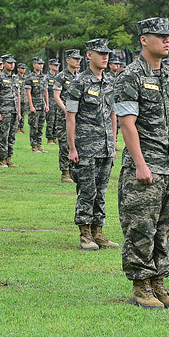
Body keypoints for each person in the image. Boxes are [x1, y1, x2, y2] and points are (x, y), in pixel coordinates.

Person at [114, 17, 169, 309]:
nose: (167, 40)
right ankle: (140, 286)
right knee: (140, 227)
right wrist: (140, 164)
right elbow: (127, 124)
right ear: (144, 39)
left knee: (163, 228)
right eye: (160, 35)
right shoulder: (130, 76)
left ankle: (158, 282)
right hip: (146, 168)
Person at [66, 38, 119, 251]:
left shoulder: (109, 82)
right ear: (89, 55)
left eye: (107, 53)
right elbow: (71, 117)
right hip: (85, 147)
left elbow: (113, 114)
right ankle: (85, 234)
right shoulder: (79, 82)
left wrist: (114, 144)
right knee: (87, 191)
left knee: (101, 191)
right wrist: (72, 148)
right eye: (100, 53)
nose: (105, 56)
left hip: (105, 147)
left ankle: (98, 233)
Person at [54, 49, 83, 183]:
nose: (78, 61)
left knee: (77, 143)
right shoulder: (61, 76)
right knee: (65, 144)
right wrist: (66, 110)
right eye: (75, 58)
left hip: (78, 116)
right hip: (65, 117)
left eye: (79, 59)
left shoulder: (80, 77)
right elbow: (56, 96)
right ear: (67, 60)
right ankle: (65, 172)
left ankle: (74, 171)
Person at [0, 54, 21, 168]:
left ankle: (9, 158)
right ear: (3, 64)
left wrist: (18, 111)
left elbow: (17, 95)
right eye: (9, 63)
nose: (12, 65)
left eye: (13, 63)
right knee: (3, 135)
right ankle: (2, 160)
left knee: (12, 136)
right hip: (4, 111)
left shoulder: (15, 78)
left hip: (14, 111)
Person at [26, 56, 49, 153]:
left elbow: (46, 91)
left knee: (40, 126)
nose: (41, 66)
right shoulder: (30, 77)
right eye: (39, 64)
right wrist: (31, 106)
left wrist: (47, 104)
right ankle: (34, 146)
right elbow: (28, 93)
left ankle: (39, 145)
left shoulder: (43, 77)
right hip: (34, 106)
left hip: (42, 105)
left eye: (42, 64)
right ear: (34, 65)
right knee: (34, 127)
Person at [45, 58, 61, 144]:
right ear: (50, 66)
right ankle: (49, 138)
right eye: (55, 65)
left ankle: (55, 137)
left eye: (57, 65)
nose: (57, 66)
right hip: (50, 102)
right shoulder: (46, 77)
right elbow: (45, 91)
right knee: (50, 121)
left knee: (57, 121)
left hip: (58, 102)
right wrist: (46, 103)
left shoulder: (59, 77)